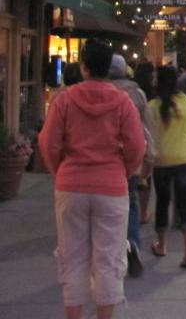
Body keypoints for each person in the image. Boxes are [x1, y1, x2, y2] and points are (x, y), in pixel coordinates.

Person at [38, 39, 146, 319]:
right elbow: (136, 146)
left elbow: (48, 143)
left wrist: (59, 170)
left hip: (70, 185)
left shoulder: (63, 100)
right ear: (108, 68)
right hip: (110, 186)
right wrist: (123, 172)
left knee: (72, 258)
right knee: (108, 259)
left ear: (83, 67)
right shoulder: (122, 101)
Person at [109, 55, 156, 278]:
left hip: (101, 163)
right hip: (129, 159)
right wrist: (148, 158)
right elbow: (143, 131)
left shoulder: (93, 93)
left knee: (106, 211)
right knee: (131, 203)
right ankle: (132, 243)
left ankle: (110, 253)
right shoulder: (137, 94)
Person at [148, 65, 186, 269]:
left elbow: (149, 135)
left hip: (161, 160)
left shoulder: (152, 106)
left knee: (162, 203)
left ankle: (162, 245)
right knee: (185, 205)